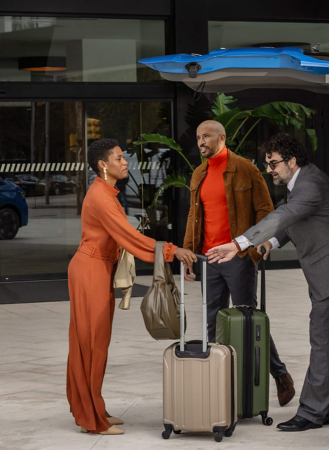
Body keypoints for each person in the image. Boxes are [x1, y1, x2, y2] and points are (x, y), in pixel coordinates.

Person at [207, 133, 329, 433]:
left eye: (274, 163)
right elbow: (297, 220)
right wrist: (271, 243)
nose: (270, 170)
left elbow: (285, 214)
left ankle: (311, 412)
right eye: (267, 164)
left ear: (292, 161)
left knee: (323, 339)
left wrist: (239, 243)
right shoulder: (304, 180)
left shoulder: (308, 184)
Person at [67, 138, 196, 435]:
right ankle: (91, 419)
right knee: (91, 345)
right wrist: (171, 251)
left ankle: (93, 407)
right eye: (119, 158)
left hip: (97, 269)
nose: (125, 163)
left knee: (95, 344)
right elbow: (130, 238)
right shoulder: (100, 195)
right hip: (89, 271)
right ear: (103, 164)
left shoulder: (106, 192)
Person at [183, 120, 295, 406]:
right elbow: (192, 217)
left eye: (206, 136)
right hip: (208, 258)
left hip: (238, 256)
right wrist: (187, 253)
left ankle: (279, 375)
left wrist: (257, 247)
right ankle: (219, 383)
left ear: (222, 137)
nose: (201, 142)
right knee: (212, 323)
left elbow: (266, 211)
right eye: (198, 137)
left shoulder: (245, 168)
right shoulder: (198, 174)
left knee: (248, 320)